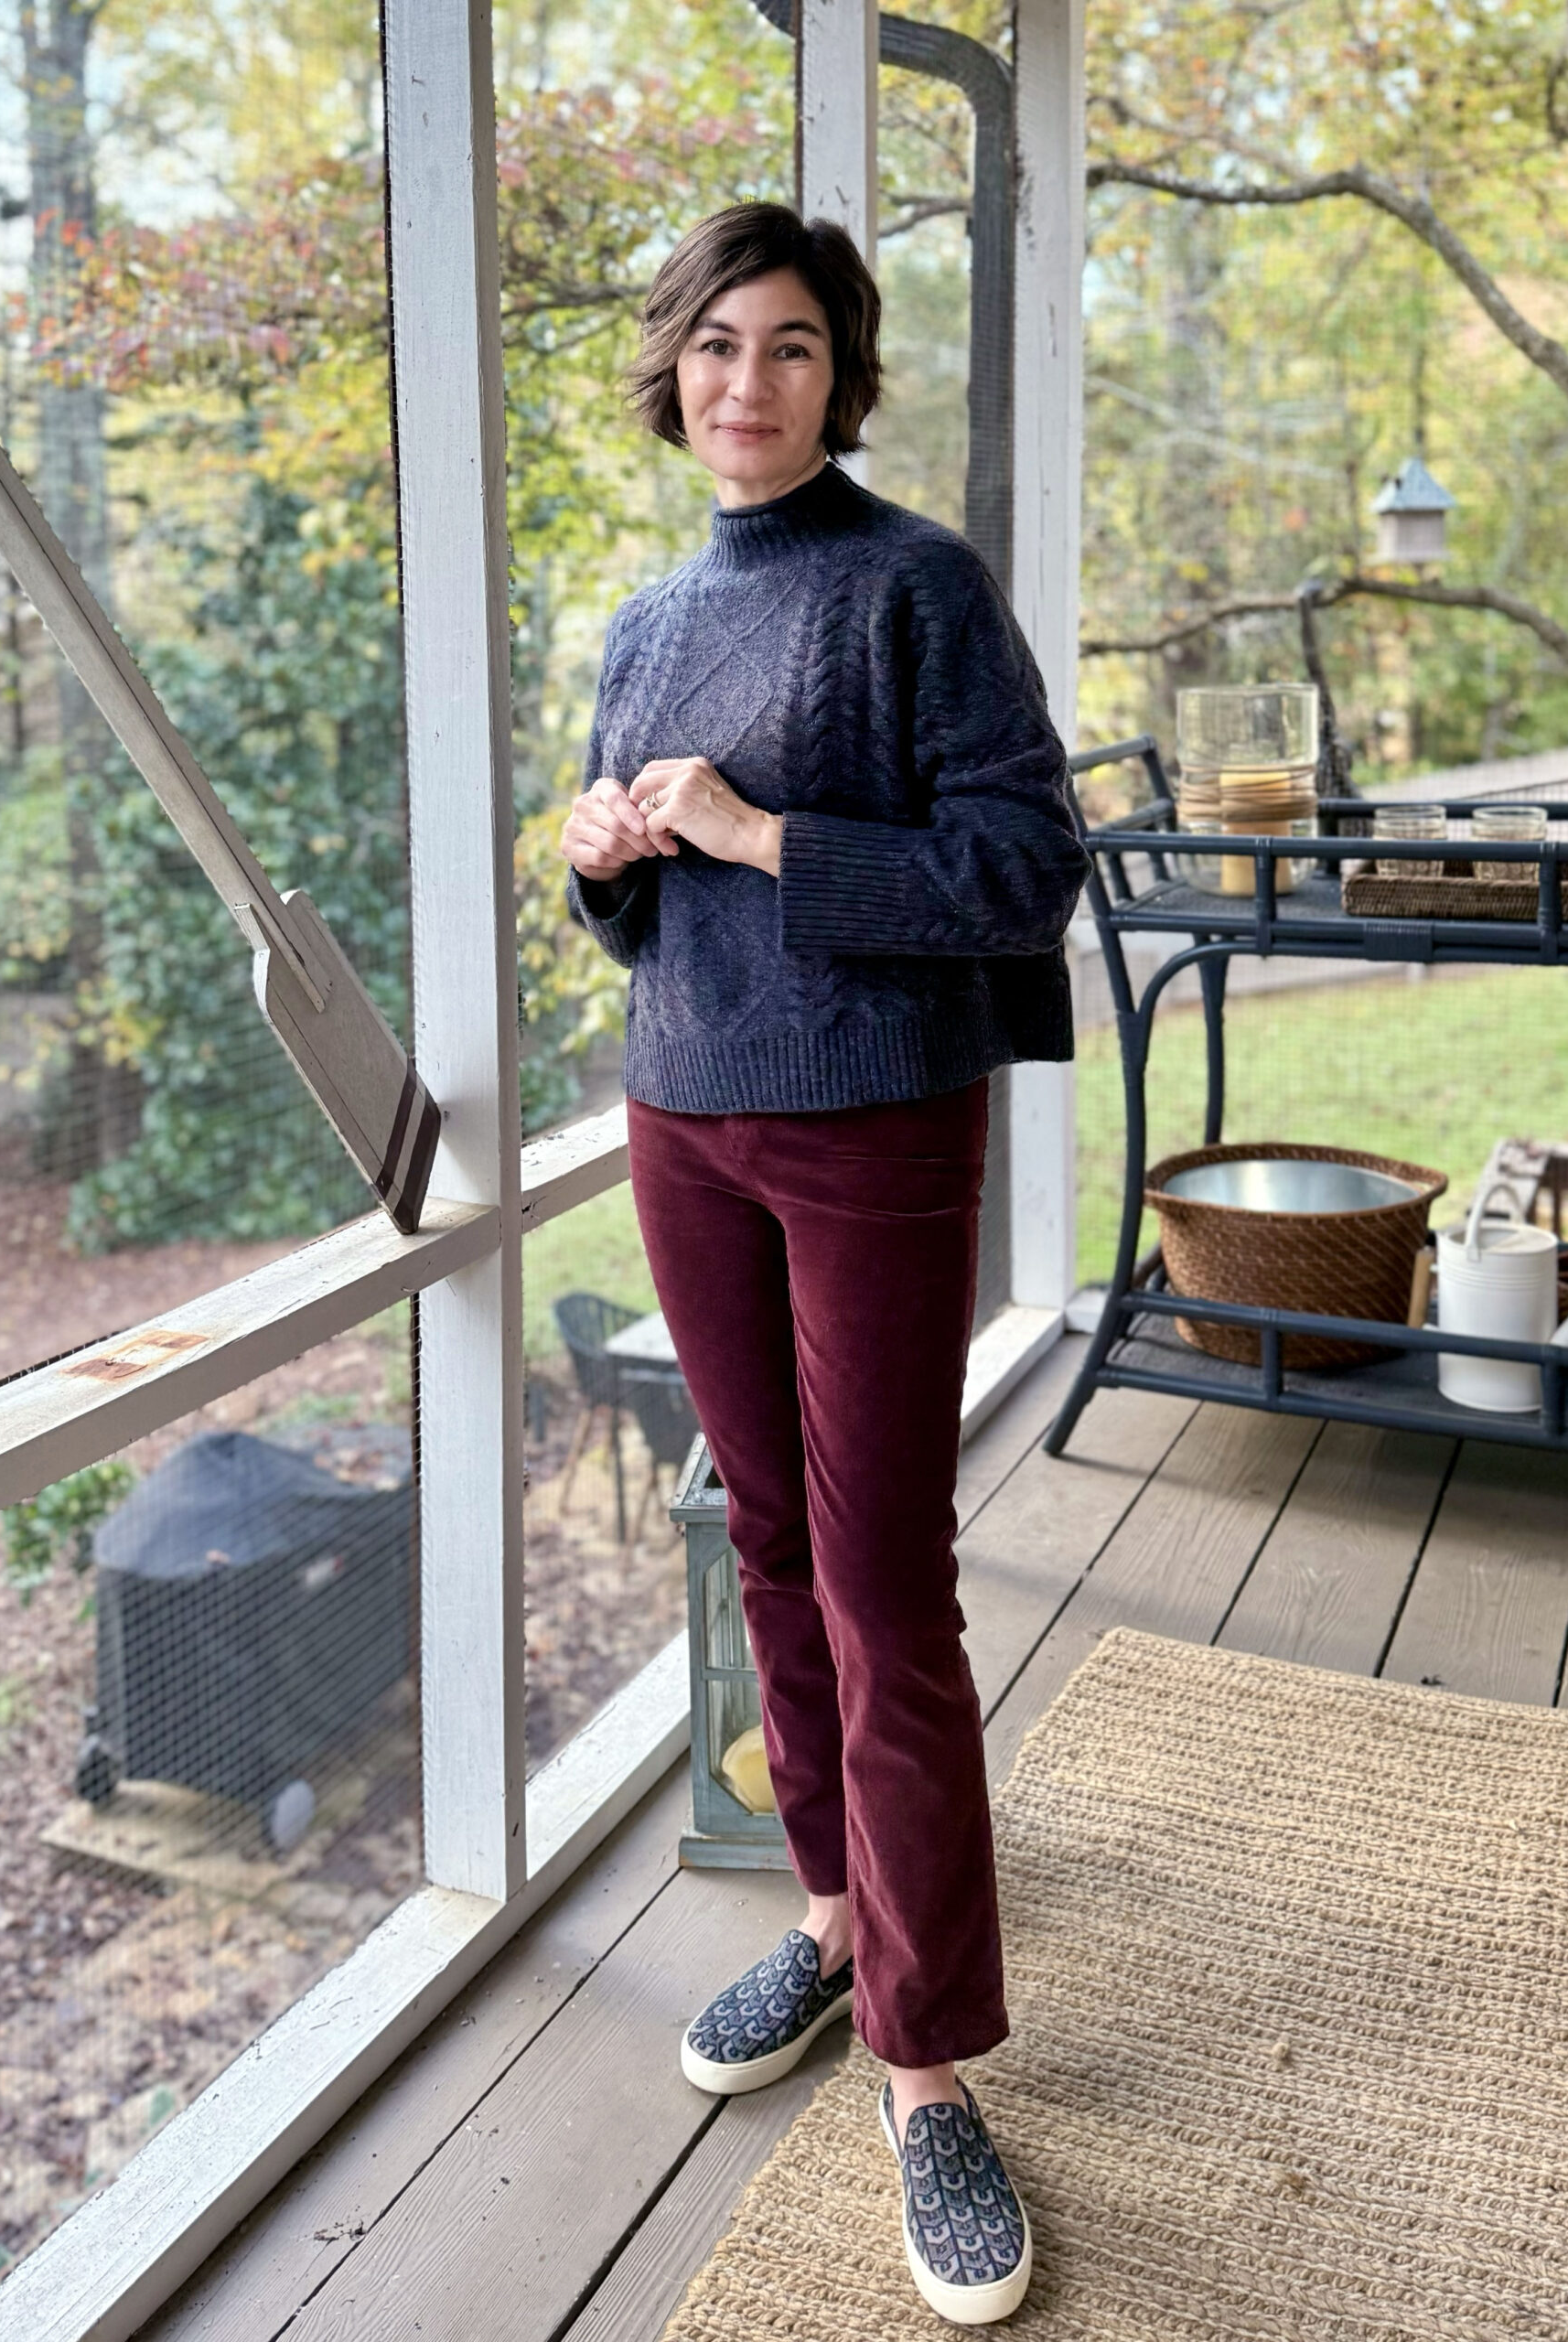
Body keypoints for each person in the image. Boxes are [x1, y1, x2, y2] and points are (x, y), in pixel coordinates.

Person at [559, 200, 1089, 2326]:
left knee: (883, 1580)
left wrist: (762, 831)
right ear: (672, 367)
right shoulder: (648, 616)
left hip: (872, 1122)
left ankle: (927, 2061)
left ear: (840, 374)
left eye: (788, 346)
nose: (746, 382)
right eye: (715, 344)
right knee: (764, 1543)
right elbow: (643, 898)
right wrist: (607, 855)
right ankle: (833, 1906)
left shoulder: (915, 585)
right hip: (681, 1114)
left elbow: (1026, 863)